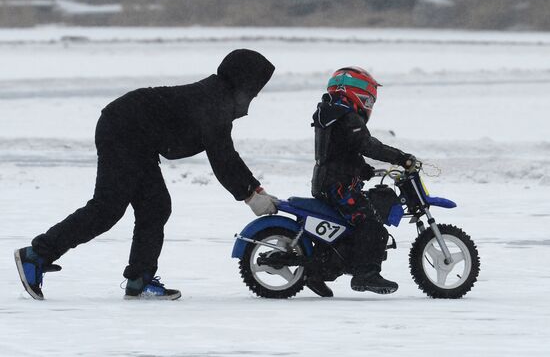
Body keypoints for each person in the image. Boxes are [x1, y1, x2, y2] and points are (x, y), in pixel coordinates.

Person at [14, 49, 279, 301]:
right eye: (256, 87)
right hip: (123, 128)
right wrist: (250, 194)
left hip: (137, 134)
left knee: (155, 206)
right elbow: (223, 158)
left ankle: (140, 279)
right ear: (243, 81)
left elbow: (224, 154)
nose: (256, 94)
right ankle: (37, 255)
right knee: (106, 208)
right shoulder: (215, 102)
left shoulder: (216, 97)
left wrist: (253, 189)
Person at [309, 66, 416, 297]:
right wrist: (400, 158)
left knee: (348, 228)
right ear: (355, 93)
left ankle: (316, 272)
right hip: (338, 186)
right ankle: (366, 274)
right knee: (371, 224)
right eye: (369, 99)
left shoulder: (333, 113)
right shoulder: (347, 116)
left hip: (331, 182)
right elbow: (367, 145)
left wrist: (363, 170)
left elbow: (342, 151)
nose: (369, 105)